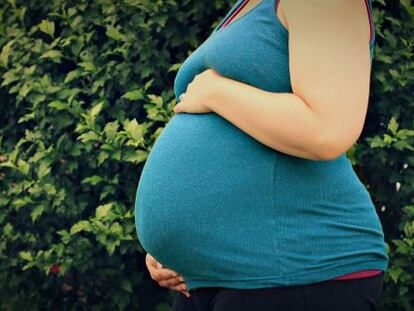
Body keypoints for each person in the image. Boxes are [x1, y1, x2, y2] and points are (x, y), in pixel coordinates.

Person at [135, 0, 388, 310]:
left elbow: (327, 130)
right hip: (220, 280)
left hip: (298, 271)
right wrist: (180, 250)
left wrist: (216, 91)